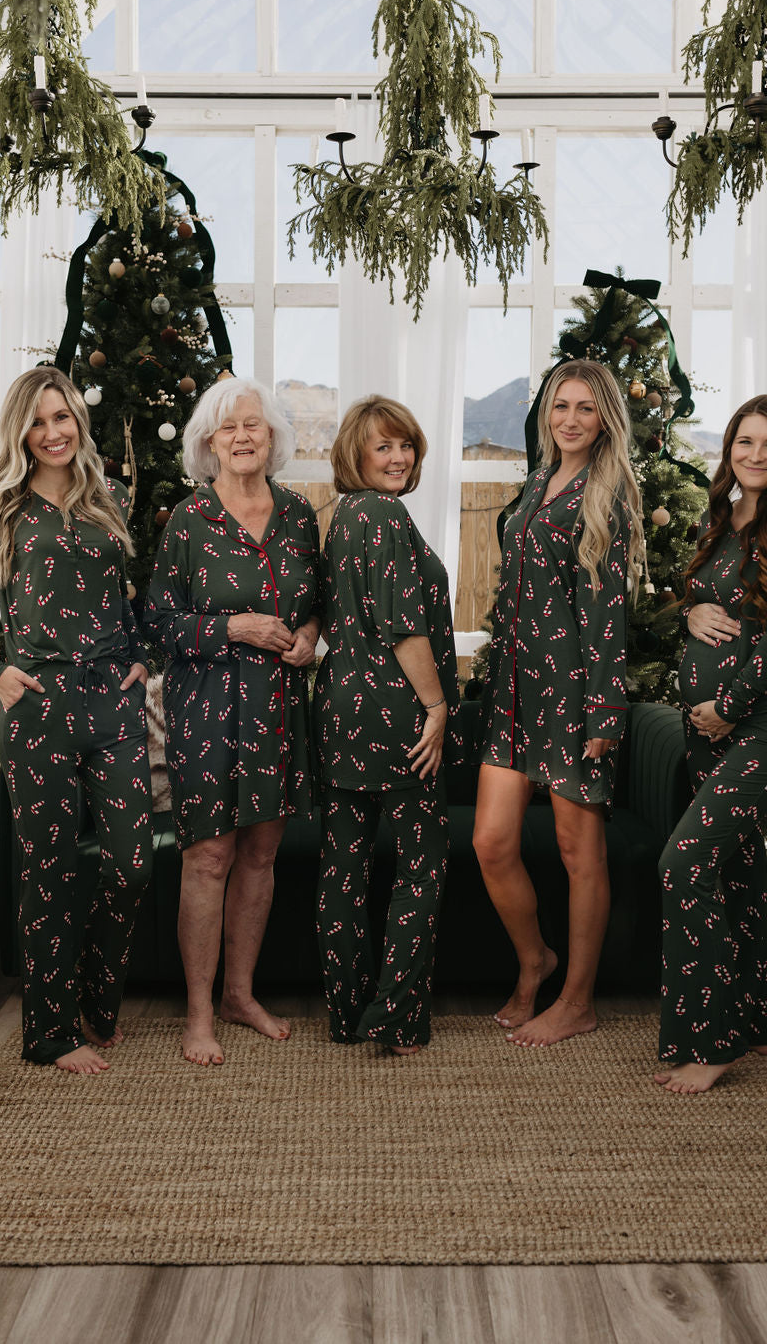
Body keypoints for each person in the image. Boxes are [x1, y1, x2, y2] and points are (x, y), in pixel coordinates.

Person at [0, 365, 153, 1075]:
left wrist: (141, 655)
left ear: (78, 420)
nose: (52, 432)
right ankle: (50, 1031)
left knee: (133, 860)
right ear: (21, 432)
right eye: (38, 422)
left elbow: (140, 593)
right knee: (46, 869)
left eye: (61, 417)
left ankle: (98, 996)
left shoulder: (113, 498)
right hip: (37, 705)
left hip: (112, 700)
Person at [144, 377, 320, 1067]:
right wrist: (235, 625)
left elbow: (318, 602)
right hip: (206, 711)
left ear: (272, 437)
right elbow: (159, 621)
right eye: (228, 428)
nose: (243, 436)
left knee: (260, 854)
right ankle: (197, 1012)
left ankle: (240, 995)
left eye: (254, 424)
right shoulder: (189, 521)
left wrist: (309, 633)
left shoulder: (300, 515)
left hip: (277, 710)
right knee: (208, 857)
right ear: (207, 443)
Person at [655, 394, 767, 1094]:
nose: (754, 455)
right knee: (738, 869)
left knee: (683, 861)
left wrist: (727, 706)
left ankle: (713, 1037)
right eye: (744, 441)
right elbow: (694, 601)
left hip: (764, 722)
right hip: (706, 726)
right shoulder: (718, 516)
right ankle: (757, 1021)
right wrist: (689, 606)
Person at [473, 359, 644, 1047]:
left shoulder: (611, 496)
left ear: (605, 419)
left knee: (581, 854)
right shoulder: (539, 480)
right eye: (560, 406)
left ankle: (576, 999)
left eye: (585, 408)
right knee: (491, 842)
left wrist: (605, 712)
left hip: (575, 695)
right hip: (514, 691)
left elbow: (607, 611)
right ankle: (534, 959)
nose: (569, 418)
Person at [313, 395, 460, 1057]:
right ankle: (396, 1014)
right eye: (383, 446)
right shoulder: (386, 515)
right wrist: (435, 706)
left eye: (406, 445)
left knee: (343, 865)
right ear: (356, 453)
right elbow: (404, 628)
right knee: (420, 862)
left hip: (341, 708)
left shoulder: (342, 514)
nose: (398, 457)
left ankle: (348, 1011)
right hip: (396, 712)